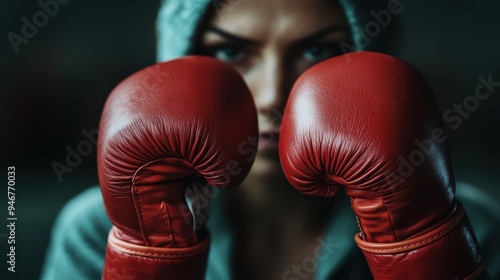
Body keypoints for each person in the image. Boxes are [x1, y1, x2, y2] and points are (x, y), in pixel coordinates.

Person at [41, 0, 500, 279]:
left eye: (319, 50)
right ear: (177, 65)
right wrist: (151, 256)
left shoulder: (469, 225)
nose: (272, 94)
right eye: (230, 51)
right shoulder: (96, 231)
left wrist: (422, 244)